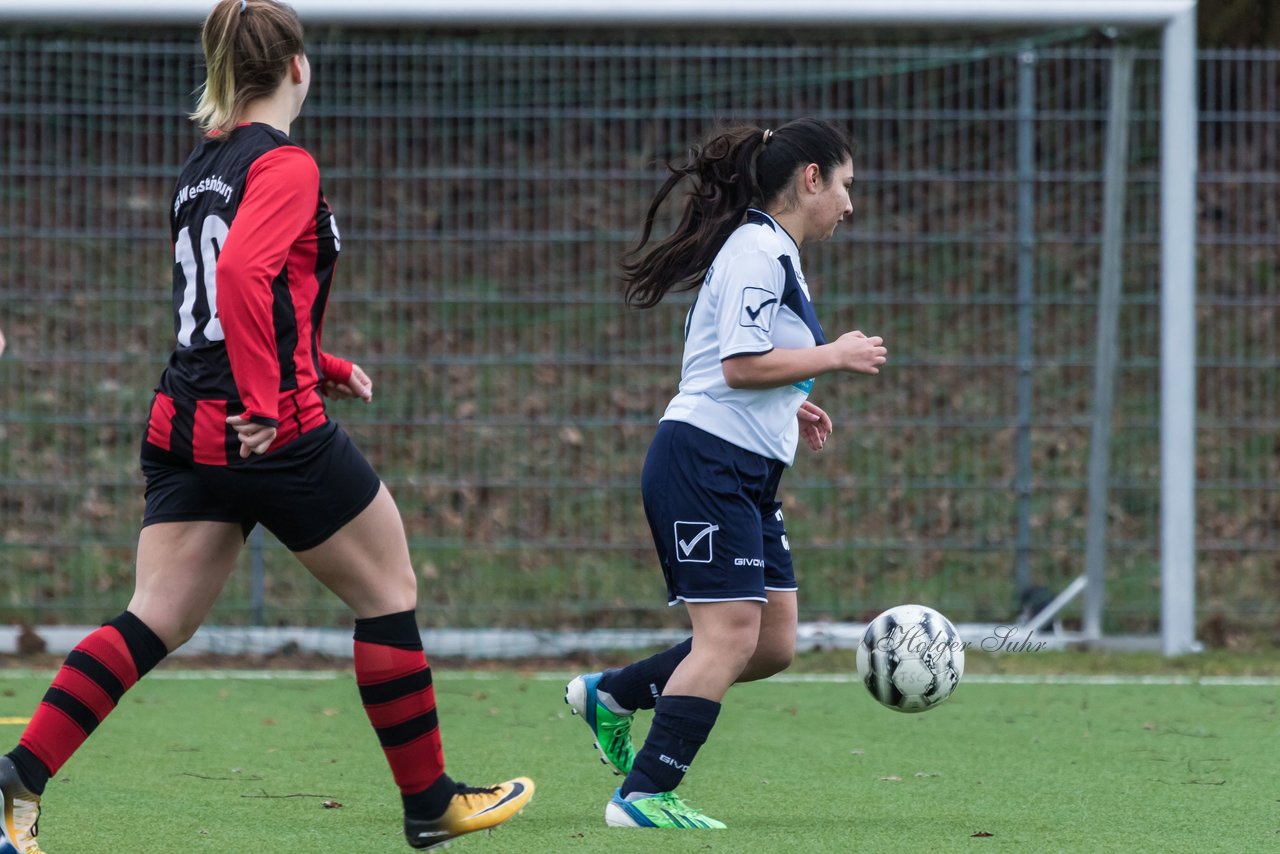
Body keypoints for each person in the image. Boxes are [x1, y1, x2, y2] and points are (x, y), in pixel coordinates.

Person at [0, 2, 533, 852]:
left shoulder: (202, 163)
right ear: (297, 67)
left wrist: (319, 360)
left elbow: (229, 298)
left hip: (183, 420)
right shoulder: (284, 161)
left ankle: (17, 780)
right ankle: (430, 804)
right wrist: (268, 397)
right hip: (266, 429)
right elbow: (246, 276)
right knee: (388, 592)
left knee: (154, 619)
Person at [565, 118, 887, 828]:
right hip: (705, 463)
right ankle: (643, 795)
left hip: (741, 468)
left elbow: (740, 362)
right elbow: (739, 368)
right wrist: (833, 355)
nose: (849, 204)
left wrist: (794, 402)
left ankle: (612, 694)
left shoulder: (773, 253)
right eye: (845, 186)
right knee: (731, 637)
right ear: (812, 179)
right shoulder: (757, 250)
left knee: (770, 644)